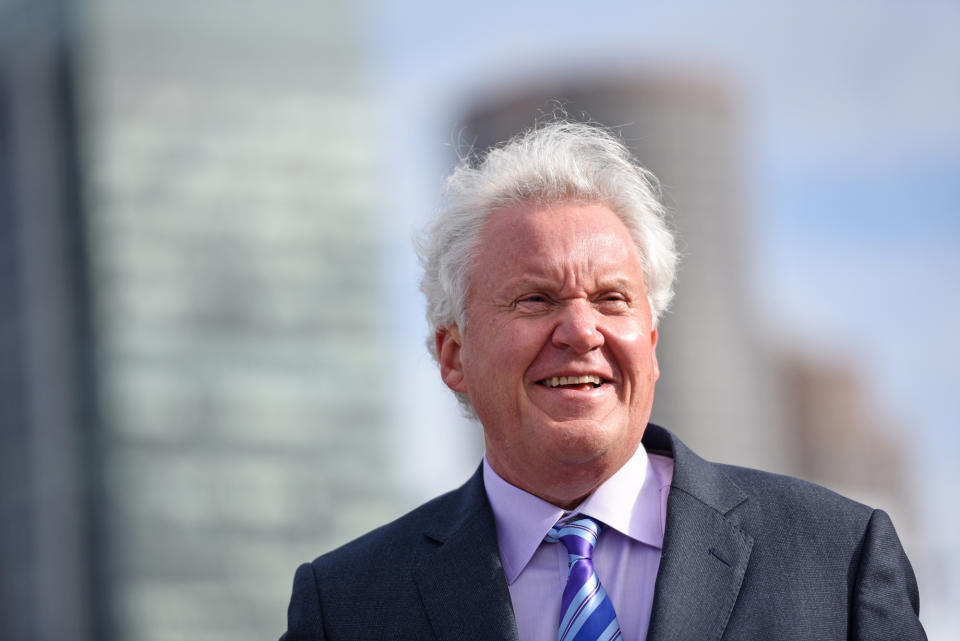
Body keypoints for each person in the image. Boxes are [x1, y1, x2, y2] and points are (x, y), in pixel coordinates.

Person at [280, 120, 925, 640]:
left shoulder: (836, 560)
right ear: (453, 356)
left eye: (613, 300)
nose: (581, 331)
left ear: (650, 343)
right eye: (534, 300)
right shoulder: (346, 606)